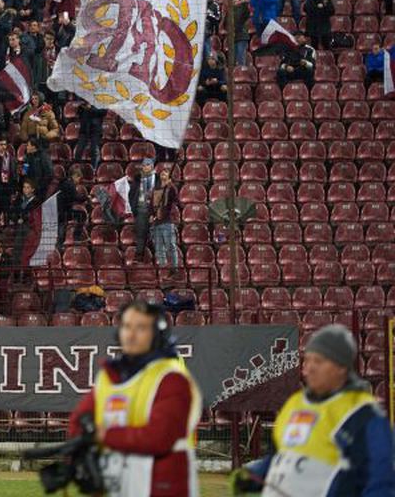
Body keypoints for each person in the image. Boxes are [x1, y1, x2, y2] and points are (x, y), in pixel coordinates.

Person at [232, 324, 394, 497]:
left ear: (341, 367)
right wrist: (254, 474)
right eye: (307, 360)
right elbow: (281, 457)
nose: (308, 368)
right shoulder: (294, 404)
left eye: (318, 361)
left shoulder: (362, 415)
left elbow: (379, 482)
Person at [68, 301, 201, 497]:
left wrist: (104, 436)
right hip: (115, 482)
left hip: (161, 483)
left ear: (157, 334)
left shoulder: (172, 379)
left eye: (141, 328)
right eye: (127, 327)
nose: (131, 335)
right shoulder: (109, 376)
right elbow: (78, 422)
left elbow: (159, 438)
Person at [151, 167, 180, 276]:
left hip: (167, 221)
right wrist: (151, 215)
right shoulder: (156, 189)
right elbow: (151, 205)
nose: (163, 175)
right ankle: (163, 269)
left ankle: (174, 268)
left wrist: (170, 186)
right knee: (158, 247)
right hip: (156, 222)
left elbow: (176, 200)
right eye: (162, 173)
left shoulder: (171, 188)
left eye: (166, 173)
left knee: (170, 245)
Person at [128, 159, 157, 258]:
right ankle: (139, 255)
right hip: (141, 209)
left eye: (147, 165)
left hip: (155, 210)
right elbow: (131, 194)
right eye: (143, 165)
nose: (145, 167)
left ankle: (157, 257)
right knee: (140, 234)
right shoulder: (137, 179)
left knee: (155, 235)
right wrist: (133, 208)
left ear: (152, 166)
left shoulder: (158, 179)